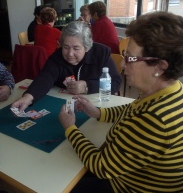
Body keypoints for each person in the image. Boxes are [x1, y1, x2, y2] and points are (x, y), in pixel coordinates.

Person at [59, 11, 183, 192]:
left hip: (125, 186)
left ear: (160, 67)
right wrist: (98, 112)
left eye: (130, 58)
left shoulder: (155, 120)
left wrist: (70, 128)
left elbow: (101, 166)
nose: (123, 64)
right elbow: (133, 109)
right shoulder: (169, 90)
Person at [12, 21, 121, 112]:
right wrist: (28, 98)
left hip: (96, 107)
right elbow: (45, 77)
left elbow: (116, 82)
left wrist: (87, 86)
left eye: (76, 48)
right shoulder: (57, 57)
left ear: (87, 47)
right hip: (63, 107)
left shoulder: (101, 53)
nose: (69, 53)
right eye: (66, 47)